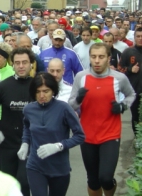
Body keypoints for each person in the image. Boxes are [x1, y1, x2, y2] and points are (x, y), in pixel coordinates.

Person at [69, 43, 135, 196]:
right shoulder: (81, 77)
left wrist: (122, 106)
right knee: (93, 180)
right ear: (90, 58)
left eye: (101, 57)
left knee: (105, 178)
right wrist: (78, 99)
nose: (97, 60)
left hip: (110, 135)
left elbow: (131, 95)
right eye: (93, 57)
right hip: (87, 135)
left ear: (108, 59)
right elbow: (71, 104)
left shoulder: (118, 78)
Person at [18, 72, 84, 196]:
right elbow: (27, 127)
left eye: (46, 91)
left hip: (59, 168)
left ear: (53, 91)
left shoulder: (64, 108)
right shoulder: (29, 109)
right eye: (38, 92)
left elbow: (80, 136)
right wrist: (25, 143)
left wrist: (59, 146)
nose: (42, 95)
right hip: (35, 166)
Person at [0, 47, 35, 196]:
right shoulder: (3, 87)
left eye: (25, 62)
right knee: (8, 185)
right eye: (17, 63)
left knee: (24, 182)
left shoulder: (38, 85)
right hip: (7, 144)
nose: (21, 66)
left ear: (31, 64)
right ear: (12, 64)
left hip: (30, 143)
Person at [118, 27, 142, 134]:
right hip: (135, 90)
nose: (140, 38)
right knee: (136, 117)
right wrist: (130, 69)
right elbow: (120, 69)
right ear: (134, 38)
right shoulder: (128, 52)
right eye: (138, 36)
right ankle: (137, 139)